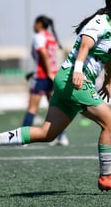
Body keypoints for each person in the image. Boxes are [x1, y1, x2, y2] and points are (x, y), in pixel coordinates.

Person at [0, 0, 111, 191]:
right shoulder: (100, 23)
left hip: (66, 81)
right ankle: (106, 177)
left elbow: (110, 56)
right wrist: (78, 70)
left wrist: (108, 82)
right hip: (74, 80)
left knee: (47, 133)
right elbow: (84, 47)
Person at [22, 15, 69, 146]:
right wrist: (51, 73)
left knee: (32, 108)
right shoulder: (51, 38)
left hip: (43, 77)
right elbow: (51, 58)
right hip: (54, 76)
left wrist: (47, 72)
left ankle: (23, 139)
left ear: (39, 24)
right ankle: (62, 137)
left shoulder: (39, 37)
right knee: (55, 108)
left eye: (34, 23)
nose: (33, 26)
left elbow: (43, 55)